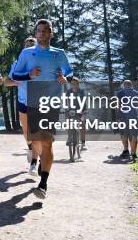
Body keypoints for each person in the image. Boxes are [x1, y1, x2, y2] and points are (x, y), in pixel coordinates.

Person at [11, 19, 73, 199]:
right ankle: (37, 158)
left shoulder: (59, 53)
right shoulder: (26, 53)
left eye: (45, 31)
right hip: (31, 101)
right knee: (35, 142)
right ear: (36, 33)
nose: (42, 34)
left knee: (47, 141)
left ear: (51, 34)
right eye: (39, 31)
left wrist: (66, 78)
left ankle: (43, 183)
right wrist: (29, 75)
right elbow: (15, 74)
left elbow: (69, 71)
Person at [5, 36, 40, 176]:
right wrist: (15, 82)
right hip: (23, 101)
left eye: (32, 46)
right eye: (27, 46)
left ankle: (34, 163)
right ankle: (31, 149)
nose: (29, 48)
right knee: (27, 132)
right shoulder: (17, 64)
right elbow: (7, 82)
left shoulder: (41, 63)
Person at [115, 80, 138, 161]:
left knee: (123, 133)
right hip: (133, 116)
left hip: (123, 116)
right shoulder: (137, 93)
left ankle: (126, 150)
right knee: (134, 134)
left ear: (124, 85)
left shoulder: (120, 93)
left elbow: (117, 106)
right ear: (131, 85)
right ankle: (134, 153)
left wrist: (117, 118)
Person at [66, 77, 88, 150]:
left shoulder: (81, 91)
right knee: (68, 123)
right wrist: (67, 109)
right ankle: (69, 138)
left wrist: (83, 111)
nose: (73, 85)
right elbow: (67, 101)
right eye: (72, 84)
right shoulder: (69, 92)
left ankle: (83, 143)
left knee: (82, 125)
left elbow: (83, 101)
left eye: (75, 84)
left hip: (81, 110)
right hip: (71, 110)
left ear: (78, 84)